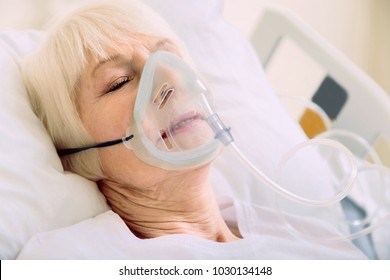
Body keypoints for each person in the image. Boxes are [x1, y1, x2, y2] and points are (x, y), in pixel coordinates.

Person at [22, 0, 367, 258]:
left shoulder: (313, 240)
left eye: (170, 56)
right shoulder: (71, 258)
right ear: (77, 155)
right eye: (119, 81)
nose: (170, 79)